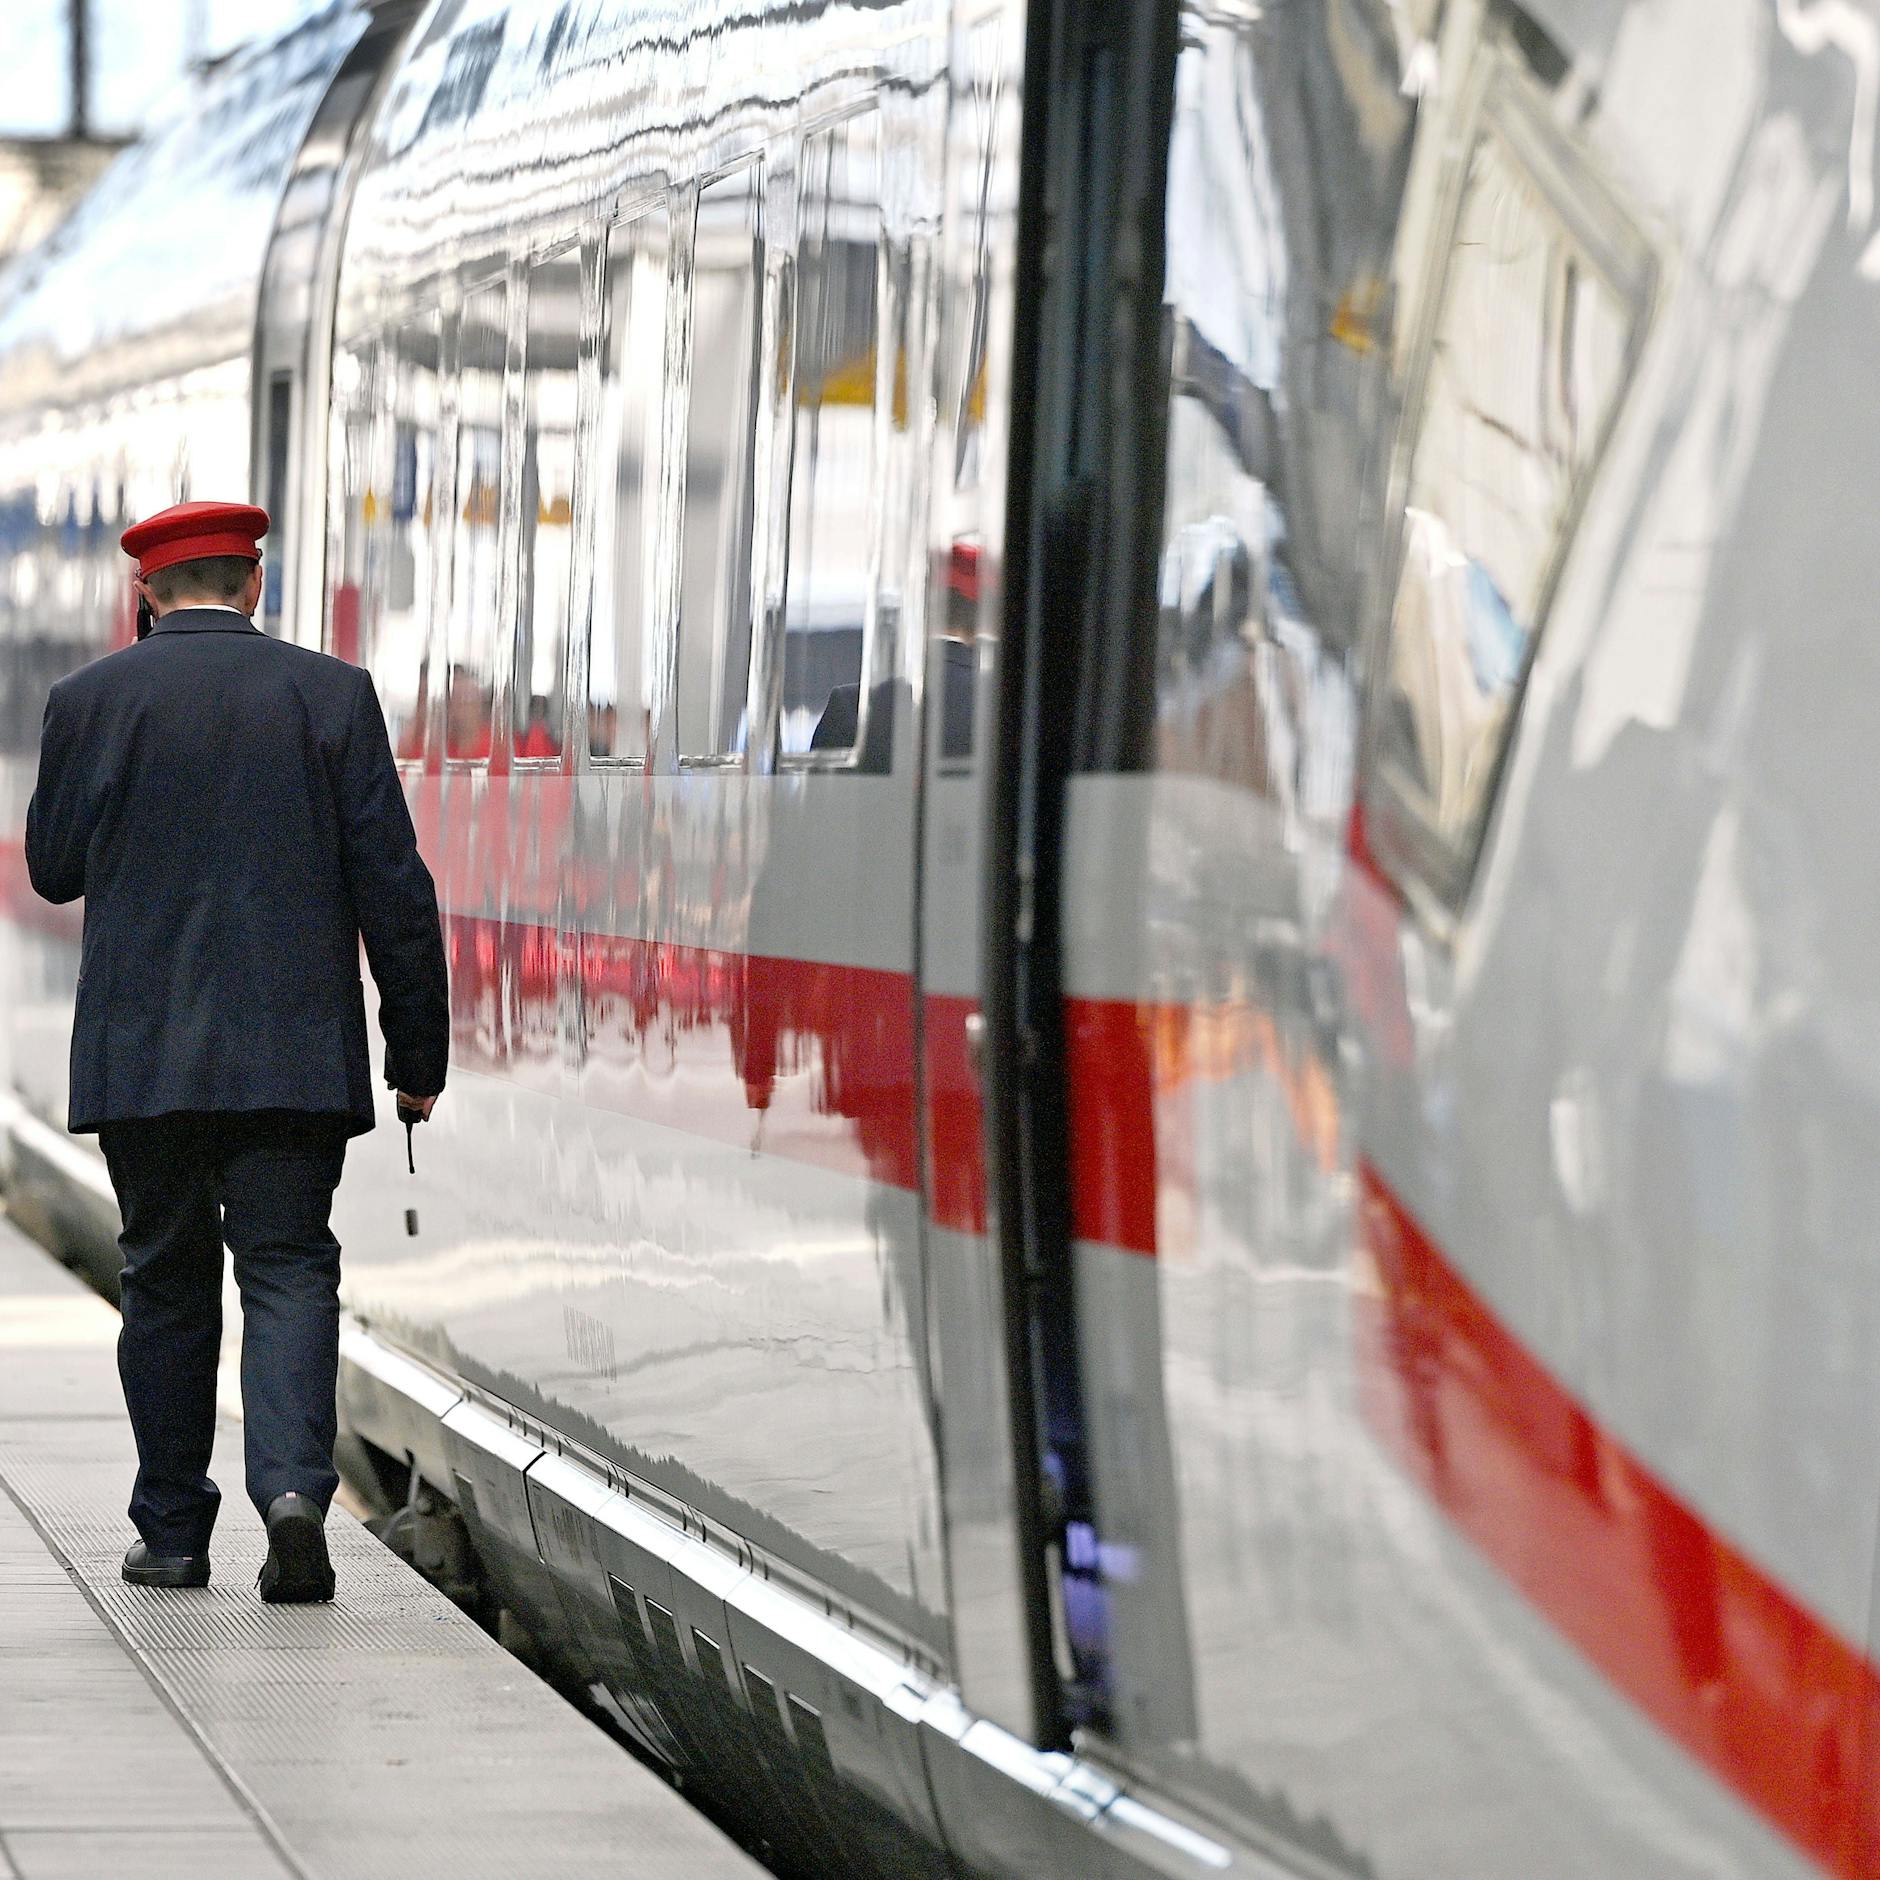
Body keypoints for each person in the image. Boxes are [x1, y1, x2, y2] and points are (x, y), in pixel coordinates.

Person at [24, 500, 449, 1603]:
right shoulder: (331, 696)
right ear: (252, 585)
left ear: (145, 596)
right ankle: (296, 1491)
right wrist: (417, 1051)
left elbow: (55, 868)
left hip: (142, 1060)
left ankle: (170, 1533)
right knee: (289, 1266)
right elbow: (394, 889)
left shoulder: (89, 701)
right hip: (295, 1057)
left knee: (163, 1280)